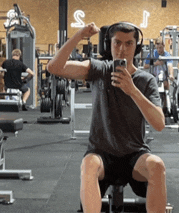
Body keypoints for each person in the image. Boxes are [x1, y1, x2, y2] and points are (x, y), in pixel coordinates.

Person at [47, 22, 166, 213]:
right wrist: (79, 35)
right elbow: (54, 67)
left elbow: (159, 124)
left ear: (136, 47)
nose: (122, 49)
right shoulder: (99, 70)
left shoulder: (146, 80)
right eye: (117, 42)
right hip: (101, 154)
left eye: (128, 44)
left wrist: (132, 90)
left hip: (134, 155)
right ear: (109, 45)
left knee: (157, 166)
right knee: (88, 164)